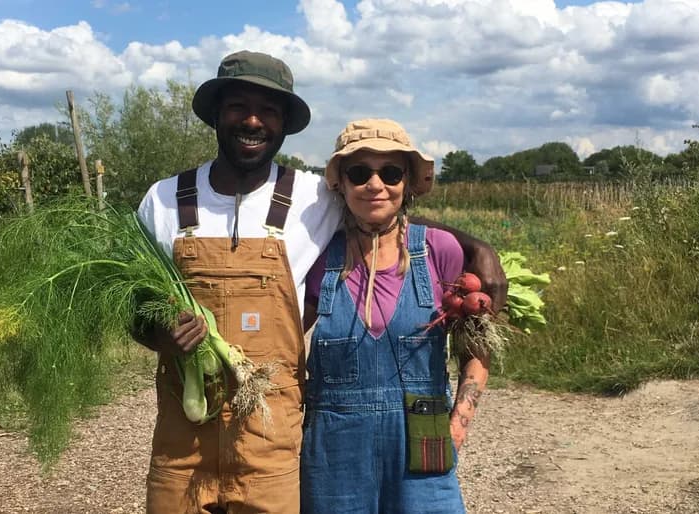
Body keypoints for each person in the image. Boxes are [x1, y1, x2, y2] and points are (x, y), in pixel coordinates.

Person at [132, 51, 502, 514]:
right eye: (237, 107)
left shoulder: (309, 198)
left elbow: (385, 213)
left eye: (268, 109)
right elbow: (134, 306)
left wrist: (476, 248)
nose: (252, 120)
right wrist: (158, 333)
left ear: (285, 122)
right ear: (215, 114)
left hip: (272, 437)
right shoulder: (164, 199)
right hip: (187, 432)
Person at [300, 118, 489, 514]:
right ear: (341, 183)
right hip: (335, 453)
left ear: (406, 182)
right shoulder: (318, 259)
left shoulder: (440, 250)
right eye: (359, 172)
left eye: (390, 172)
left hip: (425, 441)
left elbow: (476, 348)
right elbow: (282, 343)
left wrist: (459, 423)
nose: (375, 184)